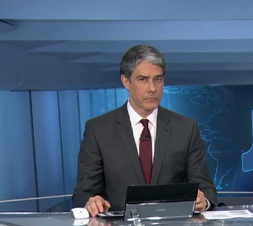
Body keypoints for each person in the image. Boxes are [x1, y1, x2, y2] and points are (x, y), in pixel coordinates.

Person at [72, 45, 217, 216]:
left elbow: (206, 188)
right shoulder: (98, 130)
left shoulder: (186, 128)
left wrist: (204, 201)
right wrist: (91, 202)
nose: (152, 88)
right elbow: (83, 193)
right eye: (143, 79)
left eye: (158, 79)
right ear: (126, 81)